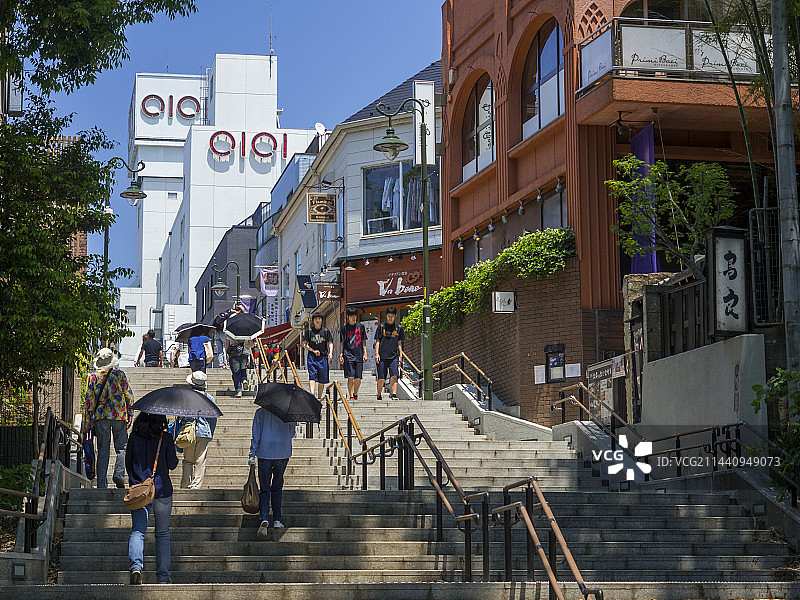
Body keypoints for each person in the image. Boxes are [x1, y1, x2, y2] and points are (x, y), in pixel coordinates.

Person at [126, 411, 178, 585]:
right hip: (162, 490)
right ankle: (162, 576)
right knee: (162, 534)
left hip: (140, 491)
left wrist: (136, 479)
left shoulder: (133, 437)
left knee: (138, 531)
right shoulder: (166, 437)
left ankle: (136, 567)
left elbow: (128, 464)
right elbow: (172, 464)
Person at [83, 348, 134, 489]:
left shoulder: (92, 377)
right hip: (119, 415)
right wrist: (130, 413)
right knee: (122, 448)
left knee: (103, 450)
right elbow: (128, 395)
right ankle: (118, 474)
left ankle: (101, 484)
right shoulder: (120, 375)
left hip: (100, 416)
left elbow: (89, 400)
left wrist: (87, 421)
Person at [248, 407, 295, 536]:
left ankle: (264, 517)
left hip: (265, 452)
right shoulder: (289, 412)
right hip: (283, 451)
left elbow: (256, 433)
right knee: (277, 487)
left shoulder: (260, 412)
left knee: (265, 489)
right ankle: (277, 520)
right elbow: (292, 433)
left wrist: (252, 454)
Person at [176, 371, 217, 489]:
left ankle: (185, 484)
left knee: (188, 460)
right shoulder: (209, 398)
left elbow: (180, 415)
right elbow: (213, 419)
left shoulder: (186, 397)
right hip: (204, 432)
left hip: (188, 431)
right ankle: (196, 486)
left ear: (191, 384)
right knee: (200, 460)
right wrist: (210, 432)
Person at [375, 307, 404, 401]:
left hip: (394, 356)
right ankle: (379, 394)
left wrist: (400, 356)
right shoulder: (381, 327)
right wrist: (376, 354)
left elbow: (399, 343)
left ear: (395, 315)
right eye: (388, 316)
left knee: (394, 375)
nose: (390, 318)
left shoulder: (398, 328)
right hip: (382, 356)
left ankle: (394, 394)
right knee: (381, 378)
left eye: (392, 316)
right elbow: (378, 341)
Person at [339, 307, 368, 401]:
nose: (353, 318)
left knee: (358, 378)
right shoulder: (345, 327)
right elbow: (342, 342)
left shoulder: (360, 326)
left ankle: (355, 393)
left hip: (359, 354)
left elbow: (363, 341)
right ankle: (351, 396)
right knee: (351, 376)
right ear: (347, 317)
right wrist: (341, 354)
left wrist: (365, 353)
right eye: (351, 316)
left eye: (355, 315)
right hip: (348, 354)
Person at [302, 313, 333, 399]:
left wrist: (330, 353)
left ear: (322, 320)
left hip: (323, 357)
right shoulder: (309, 332)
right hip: (312, 357)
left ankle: (319, 398)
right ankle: (312, 395)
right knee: (312, 375)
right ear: (313, 321)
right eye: (316, 319)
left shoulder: (326, 331)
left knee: (322, 379)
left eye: (319, 319)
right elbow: (304, 344)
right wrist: (313, 350)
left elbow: (330, 343)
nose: (318, 320)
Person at [212, 304, 242, 368]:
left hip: (216, 331)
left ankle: (221, 364)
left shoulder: (227, 312)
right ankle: (227, 363)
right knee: (227, 348)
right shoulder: (233, 314)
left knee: (220, 350)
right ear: (239, 311)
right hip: (223, 332)